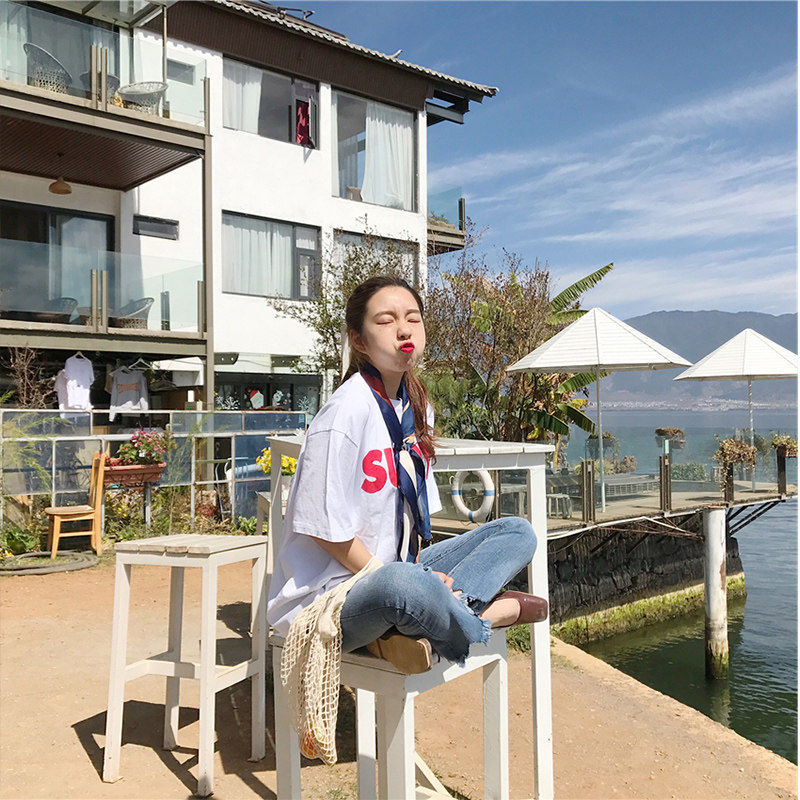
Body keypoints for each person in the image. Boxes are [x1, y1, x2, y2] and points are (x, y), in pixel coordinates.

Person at [267, 275, 547, 674]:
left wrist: (426, 577)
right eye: (386, 321)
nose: (404, 330)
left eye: (413, 319)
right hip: (332, 594)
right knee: (404, 587)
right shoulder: (344, 413)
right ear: (358, 340)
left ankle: (421, 625)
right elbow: (324, 531)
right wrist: (413, 581)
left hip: (397, 571)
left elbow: (411, 522)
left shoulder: (416, 410)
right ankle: (486, 616)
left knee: (518, 532)